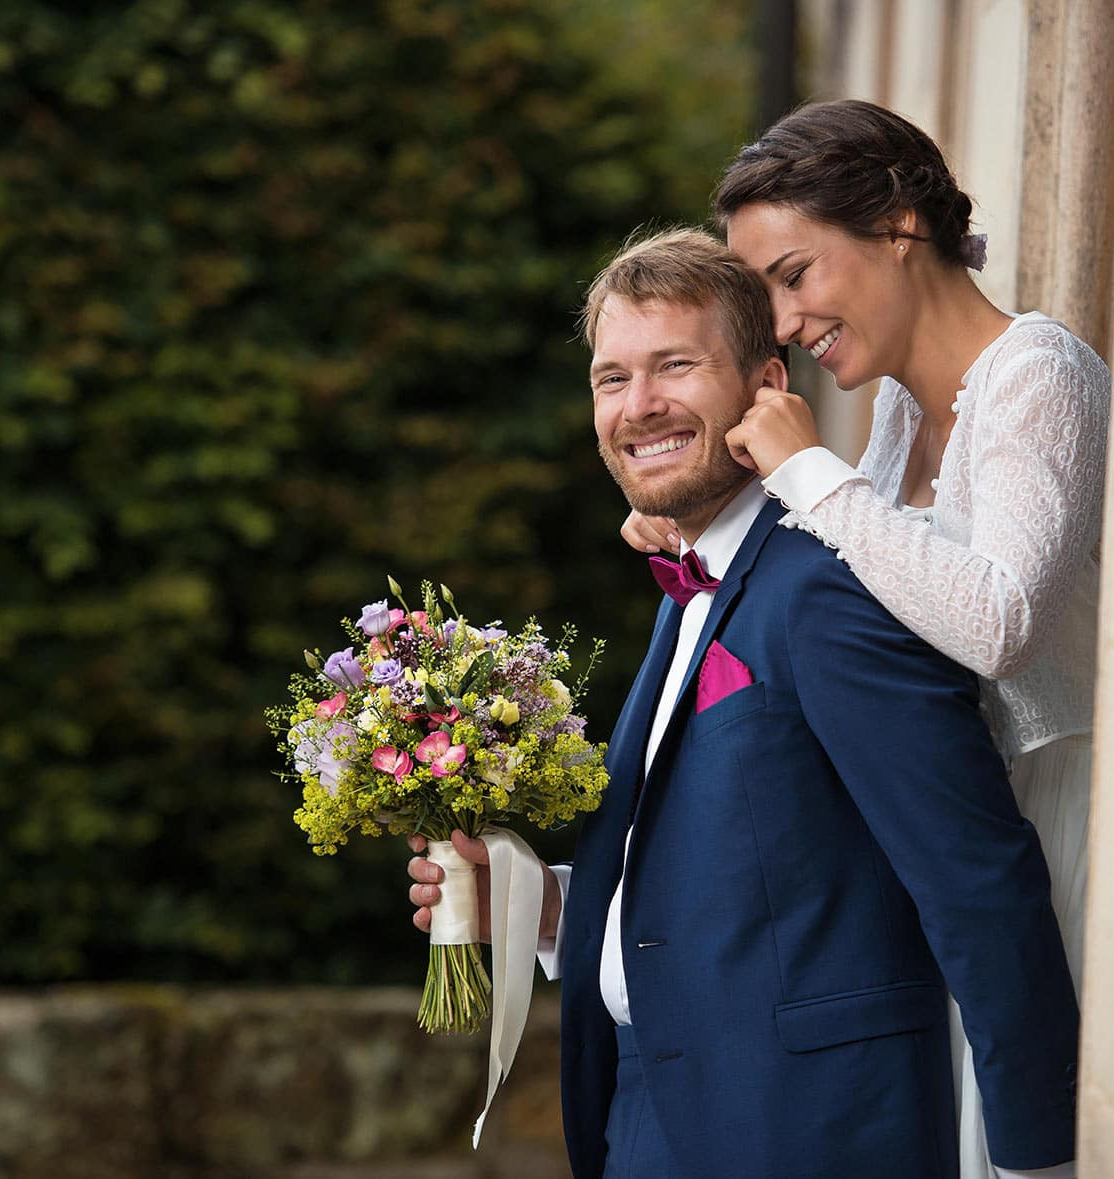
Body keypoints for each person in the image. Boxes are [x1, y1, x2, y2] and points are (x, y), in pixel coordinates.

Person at [410, 228, 1077, 1178]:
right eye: (611, 378)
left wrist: (1038, 1156)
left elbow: (977, 877)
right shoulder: (688, 588)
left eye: (675, 366)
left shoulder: (830, 589)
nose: (639, 406)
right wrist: (531, 905)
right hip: (645, 1119)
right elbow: (747, 875)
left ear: (768, 384)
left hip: (813, 1133)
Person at [621, 101, 1109, 1176]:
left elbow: (996, 625)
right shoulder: (893, 416)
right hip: (928, 838)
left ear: (895, 225)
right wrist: (705, 518)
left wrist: (805, 476)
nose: (784, 322)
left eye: (794, 276)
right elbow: (862, 610)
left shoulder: (1040, 375)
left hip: (1049, 832)